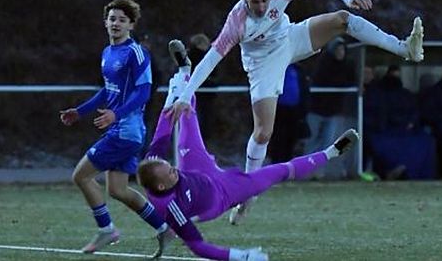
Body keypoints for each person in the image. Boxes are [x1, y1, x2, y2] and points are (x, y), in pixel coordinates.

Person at [170, 0, 423, 223]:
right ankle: (248, 194)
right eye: (253, 1)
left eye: (263, 0)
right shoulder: (237, 21)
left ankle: (404, 48)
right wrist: (185, 95)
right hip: (262, 64)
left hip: (290, 39)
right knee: (263, 132)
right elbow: (210, 61)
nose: (259, 6)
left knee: (342, 19)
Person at [142, 40, 359, 261]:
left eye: (169, 166)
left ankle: (184, 70)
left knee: (185, 110)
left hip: (197, 169)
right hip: (222, 194)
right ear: (161, 186)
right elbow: (198, 246)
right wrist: (241, 256)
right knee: (279, 172)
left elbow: (164, 127)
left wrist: (174, 93)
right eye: (170, 172)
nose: (173, 169)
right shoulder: (169, 205)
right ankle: (332, 152)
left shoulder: (153, 164)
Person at [57, 0, 169, 253]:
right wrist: (80, 111)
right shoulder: (107, 53)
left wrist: (115, 115)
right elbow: (107, 92)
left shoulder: (136, 52)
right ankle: (164, 228)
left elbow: (144, 92)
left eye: (122, 20)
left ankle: (107, 230)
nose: (115, 23)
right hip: (121, 129)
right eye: (112, 19)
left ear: (131, 25)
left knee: (81, 175)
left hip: (127, 130)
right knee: (118, 189)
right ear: (105, 22)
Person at [364, 65, 437, 180]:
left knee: (426, 142)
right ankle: (391, 171)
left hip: (406, 130)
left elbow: (414, 111)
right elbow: (375, 115)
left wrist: (411, 122)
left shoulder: (406, 94)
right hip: (384, 130)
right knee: (384, 144)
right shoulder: (376, 94)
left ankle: (412, 173)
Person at [305, 37, 355, 179]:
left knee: (328, 142)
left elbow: (348, 83)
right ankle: (306, 171)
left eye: (343, 49)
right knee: (312, 141)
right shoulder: (323, 65)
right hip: (316, 110)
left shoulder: (346, 67)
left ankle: (320, 173)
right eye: (338, 49)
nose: (341, 52)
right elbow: (319, 81)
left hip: (333, 111)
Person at [269, 63, 310, 164]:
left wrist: (304, 109)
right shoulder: (274, 67)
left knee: (292, 136)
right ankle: (276, 163)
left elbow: (304, 89)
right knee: (278, 136)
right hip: (278, 109)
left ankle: (288, 164)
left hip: (295, 109)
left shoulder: (298, 69)